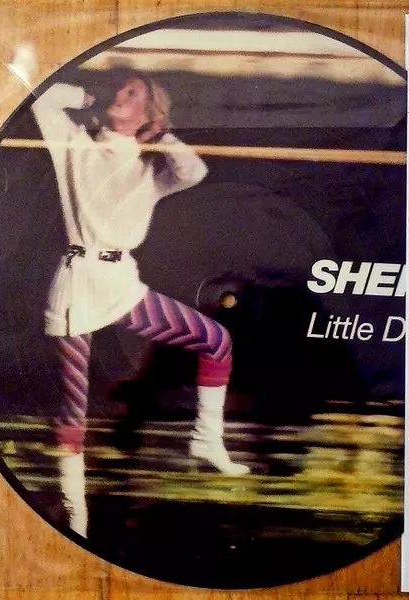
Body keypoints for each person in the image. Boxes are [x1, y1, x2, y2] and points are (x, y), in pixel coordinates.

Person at [31, 72, 249, 538]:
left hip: (120, 283)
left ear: (149, 114)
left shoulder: (151, 169)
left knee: (215, 341)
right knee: (73, 410)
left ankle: (206, 441)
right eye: (120, 88)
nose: (120, 95)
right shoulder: (73, 143)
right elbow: (41, 100)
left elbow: (194, 172)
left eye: (133, 94)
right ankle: (75, 514)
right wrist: (88, 97)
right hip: (77, 284)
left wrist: (159, 134)